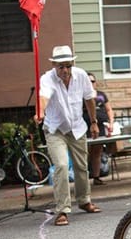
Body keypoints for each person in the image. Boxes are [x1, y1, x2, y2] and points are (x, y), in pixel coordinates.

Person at [35, 45, 102, 226]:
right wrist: (40, 112)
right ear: (54, 65)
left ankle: (84, 200)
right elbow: (44, 96)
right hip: (55, 128)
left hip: (77, 127)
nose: (64, 70)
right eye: (60, 67)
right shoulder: (47, 78)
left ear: (72, 63)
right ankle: (62, 209)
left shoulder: (81, 75)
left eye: (67, 66)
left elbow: (89, 99)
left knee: (82, 166)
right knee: (62, 166)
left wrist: (94, 122)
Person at [83, 72, 114, 185]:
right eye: (88, 81)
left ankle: (96, 177)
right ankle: (84, 179)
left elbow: (109, 109)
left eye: (92, 81)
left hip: (101, 126)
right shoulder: (82, 95)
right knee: (84, 153)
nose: (91, 83)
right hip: (86, 127)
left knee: (97, 152)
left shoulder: (101, 95)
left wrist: (111, 123)